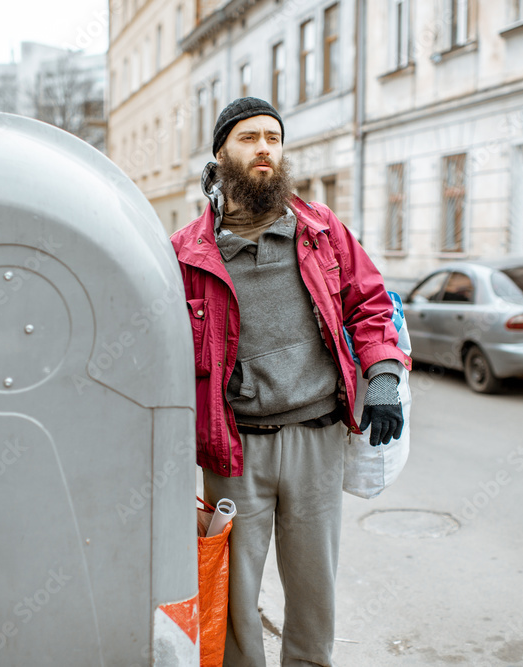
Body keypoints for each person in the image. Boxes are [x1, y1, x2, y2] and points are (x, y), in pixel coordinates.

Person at [170, 97, 410, 667]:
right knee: (231, 594)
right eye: (249, 138)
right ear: (221, 152)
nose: (264, 149)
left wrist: (382, 372)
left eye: (273, 139)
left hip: (316, 438)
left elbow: (371, 303)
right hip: (234, 451)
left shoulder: (321, 230)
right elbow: (162, 347)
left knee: (313, 589)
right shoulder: (187, 252)